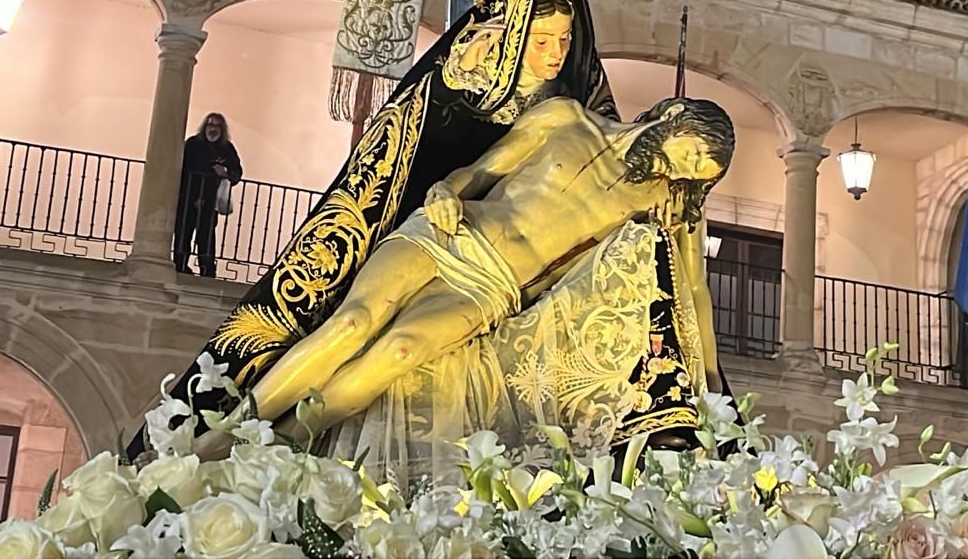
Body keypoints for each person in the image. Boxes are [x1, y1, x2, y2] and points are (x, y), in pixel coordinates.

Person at [216, 95, 734, 443]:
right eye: (689, 154)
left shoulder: (667, 205)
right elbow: (484, 168)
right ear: (675, 116)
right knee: (353, 323)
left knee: (400, 351)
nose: (682, 171)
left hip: (497, 285)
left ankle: (276, 445)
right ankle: (228, 435)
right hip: (454, 229)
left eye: (694, 173)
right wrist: (445, 190)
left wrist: (712, 381)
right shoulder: (566, 118)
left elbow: (694, 292)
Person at [174, 112, 242, 278]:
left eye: (217, 126)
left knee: (206, 237)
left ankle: (207, 271)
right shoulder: (192, 144)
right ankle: (180, 267)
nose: (212, 129)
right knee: (183, 234)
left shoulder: (227, 149)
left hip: (211, 202)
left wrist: (225, 172)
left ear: (222, 129)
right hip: (187, 199)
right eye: (210, 125)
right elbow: (180, 169)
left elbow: (237, 172)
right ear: (204, 127)